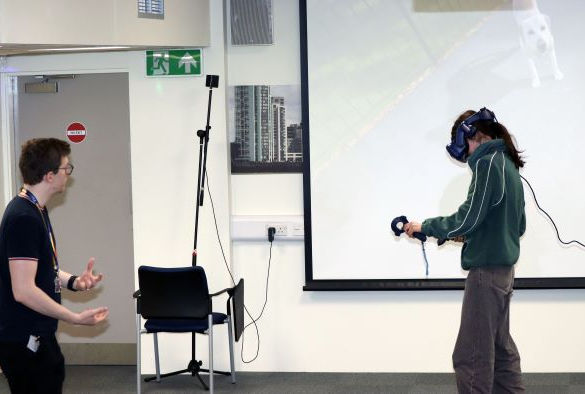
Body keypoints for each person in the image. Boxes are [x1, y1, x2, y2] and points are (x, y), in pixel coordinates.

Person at [404, 108, 526, 393]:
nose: (467, 156)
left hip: (485, 275)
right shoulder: (508, 163)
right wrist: (464, 237)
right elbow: (515, 226)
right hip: (504, 274)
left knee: (471, 356)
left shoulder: (487, 163)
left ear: (473, 135)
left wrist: (428, 226)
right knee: (501, 350)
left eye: (465, 147)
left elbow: (469, 217)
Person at [0, 138, 109, 394]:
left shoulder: (36, 209)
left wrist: (74, 282)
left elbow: (41, 269)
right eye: (65, 168)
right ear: (49, 175)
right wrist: (74, 318)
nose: (68, 174)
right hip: (24, 338)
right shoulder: (23, 218)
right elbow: (23, 290)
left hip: (39, 333)